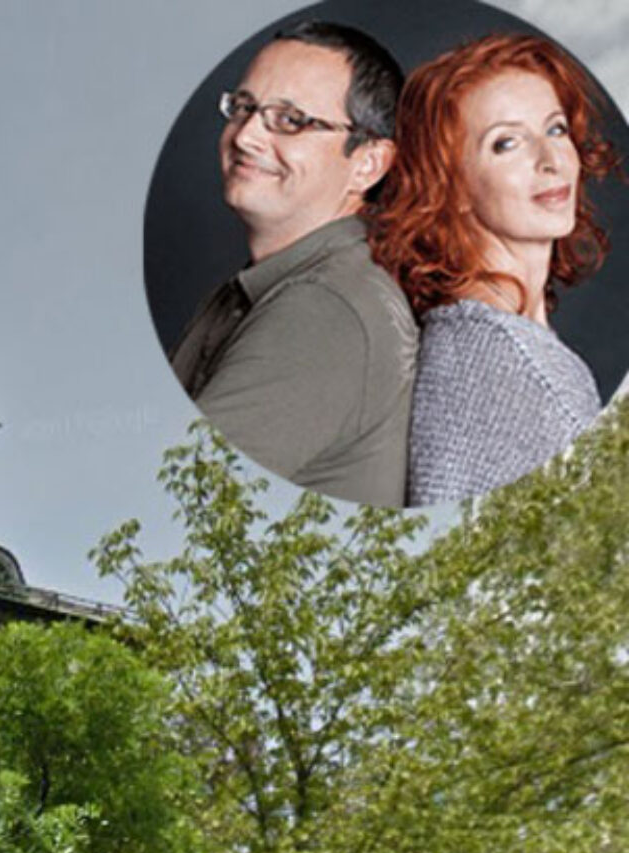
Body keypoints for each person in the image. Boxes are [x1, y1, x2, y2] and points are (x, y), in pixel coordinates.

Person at [169, 21, 418, 507]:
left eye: (290, 120)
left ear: (368, 163)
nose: (246, 137)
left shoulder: (326, 311)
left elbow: (173, 501)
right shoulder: (262, 286)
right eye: (244, 108)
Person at [371, 34, 618, 505]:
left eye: (556, 129)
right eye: (506, 143)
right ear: (452, 187)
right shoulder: (525, 371)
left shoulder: (468, 338)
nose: (550, 161)